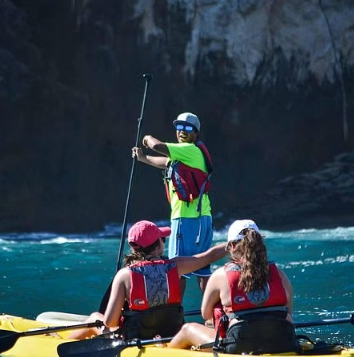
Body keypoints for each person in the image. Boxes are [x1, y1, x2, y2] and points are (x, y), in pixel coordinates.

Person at [68, 220, 227, 340]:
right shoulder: (177, 266)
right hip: (171, 333)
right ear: (157, 247)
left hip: (136, 338)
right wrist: (237, 243)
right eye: (162, 240)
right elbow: (210, 256)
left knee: (96, 317)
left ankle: (59, 343)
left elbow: (110, 322)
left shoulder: (124, 275)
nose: (164, 243)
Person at [168, 219, 300, 354]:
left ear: (231, 246)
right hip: (282, 341)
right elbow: (288, 311)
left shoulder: (220, 276)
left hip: (237, 344)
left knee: (187, 329)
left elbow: (206, 314)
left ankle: (162, 352)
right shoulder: (280, 274)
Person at [132, 112, 214, 298]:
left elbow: (157, 146)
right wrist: (142, 158)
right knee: (202, 268)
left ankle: (174, 311)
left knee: (175, 268)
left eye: (187, 128)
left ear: (196, 133)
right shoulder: (184, 155)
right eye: (179, 128)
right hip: (202, 218)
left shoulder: (189, 149)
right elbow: (162, 162)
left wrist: (146, 138)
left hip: (187, 219)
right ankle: (211, 316)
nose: (182, 132)